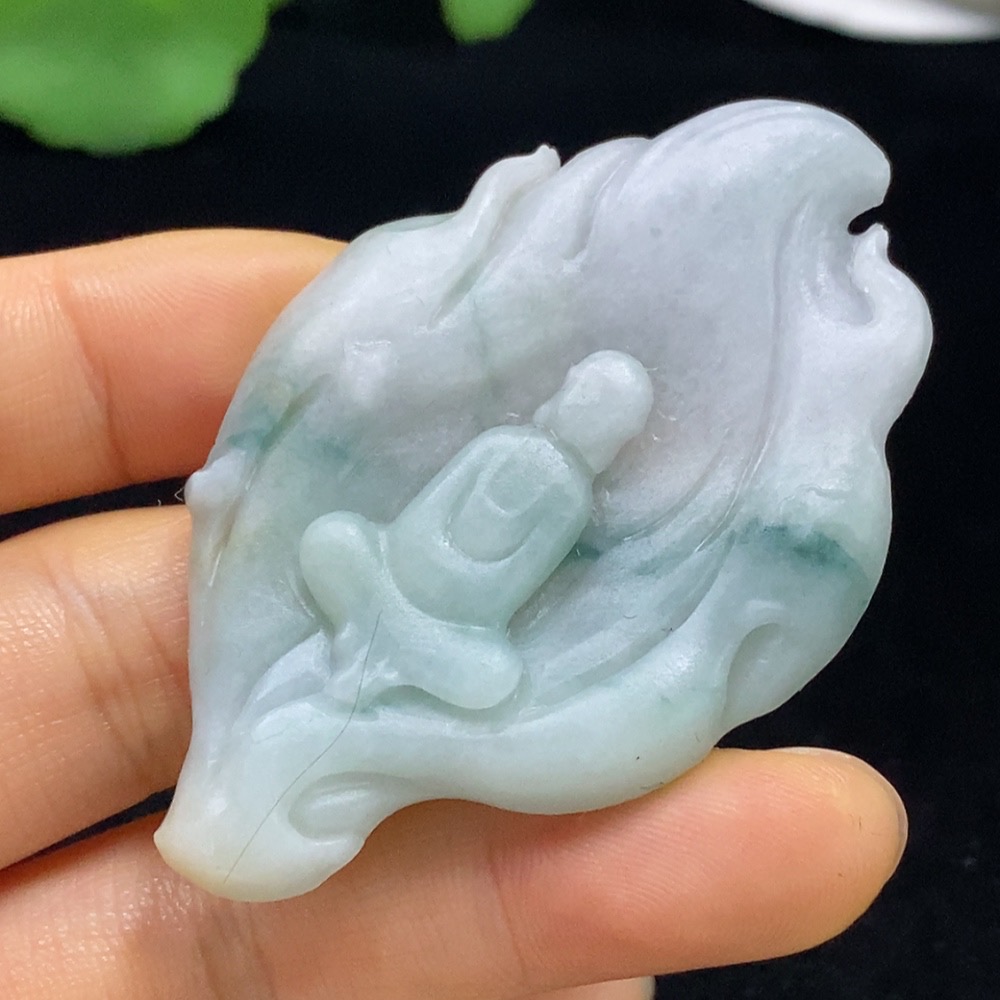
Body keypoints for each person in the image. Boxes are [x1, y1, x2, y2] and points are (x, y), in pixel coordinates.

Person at [0, 229, 906, 1000]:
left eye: (606, 425)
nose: (584, 426)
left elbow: (512, 569)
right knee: (340, 557)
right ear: (560, 397)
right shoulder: (511, 446)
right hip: (398, 584)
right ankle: (267, 788)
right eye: (584, 405)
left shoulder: (563, 489)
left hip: (449, 627)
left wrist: (446, 606)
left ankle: (293, 772)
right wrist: (410, 577)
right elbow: (440, 516)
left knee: (476, 672)